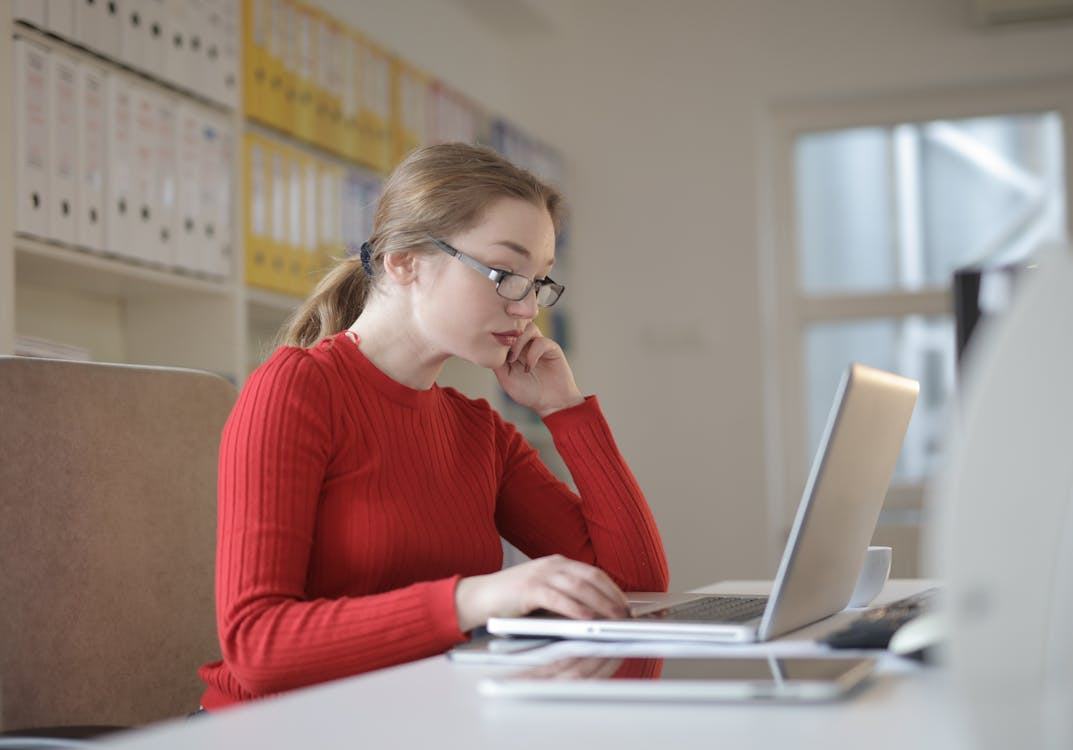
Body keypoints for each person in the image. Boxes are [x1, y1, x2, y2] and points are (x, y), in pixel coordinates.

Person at [197, 143, 668, 709]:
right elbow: (257, 646)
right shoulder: (297, 389)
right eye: (505, 273)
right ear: (405, 261)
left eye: (538, 281)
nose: (527, 310)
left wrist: (566, 410)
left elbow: (634, 584)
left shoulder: (479, 430)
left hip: (419, 720)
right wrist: (470, 600)